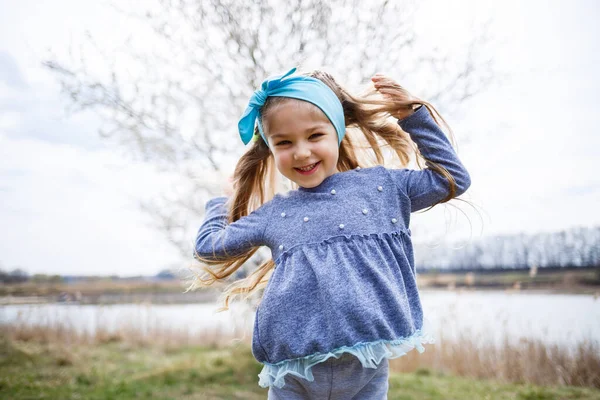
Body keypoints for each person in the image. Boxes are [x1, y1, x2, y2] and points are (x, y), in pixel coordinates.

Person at [192, 67, 471, 399]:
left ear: (337, 132)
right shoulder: (276, 213)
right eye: (284, 142)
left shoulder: (381, 187)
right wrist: (222, 201)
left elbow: (451, 178)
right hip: (293, 372)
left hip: (365, 367)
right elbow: (209, 246)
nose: (301, 152)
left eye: (314, 136)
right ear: (270, 149)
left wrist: (412, 117)